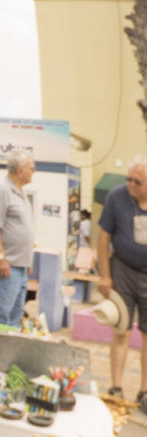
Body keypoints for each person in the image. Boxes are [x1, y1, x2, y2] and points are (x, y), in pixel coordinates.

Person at [96, 155, 147, 408]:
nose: (131, 185)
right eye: (129, 179)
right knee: (121, 330)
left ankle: (144, 391)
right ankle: (116, 387)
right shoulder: (117, 197)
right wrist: (105, 275)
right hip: (123, 270)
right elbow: (103, 237)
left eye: (137, 182)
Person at [0, 148, 35, 327]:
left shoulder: (20, 193)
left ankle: (9, 352)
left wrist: (27, 261)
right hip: (8, 265)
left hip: (20, 266)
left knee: (16, 315)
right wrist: (1, 258)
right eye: (31, 168)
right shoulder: (2, 190)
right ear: (20, 170)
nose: (33, 172)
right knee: (1, 315)